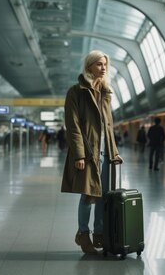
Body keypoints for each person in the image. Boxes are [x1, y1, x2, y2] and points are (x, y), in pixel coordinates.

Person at [61, 50, 124, 254]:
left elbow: (108, 125)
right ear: (89, 67)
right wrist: (79, 155)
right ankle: (83, 234)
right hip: (88, 154)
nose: (103, 67)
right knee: (88, 195)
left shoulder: (106, 92)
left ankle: (99, 234)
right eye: (98, 64)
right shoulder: (76, 92)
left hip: (105, 153)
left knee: (103, 196)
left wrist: (114, 152)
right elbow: (73, 126)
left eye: (105, 64)